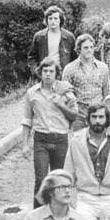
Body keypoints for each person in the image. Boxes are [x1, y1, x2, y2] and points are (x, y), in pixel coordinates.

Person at [22, 56, 78, 205]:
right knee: (41, 179)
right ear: (40, 73)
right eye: (45, 71)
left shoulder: (66, 91)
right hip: (41, 139)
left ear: (56, 73)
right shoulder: (32, 93)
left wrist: (60, 104)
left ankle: (58, 212)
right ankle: (38, 216)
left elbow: (74, 115)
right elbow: (27, 120)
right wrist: (25, 144)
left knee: (58, 179)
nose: (48, 74)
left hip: (60, 139)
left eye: (51, 71)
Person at [62, 34, 110, 131]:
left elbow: (107, 92)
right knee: (79, 142)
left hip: (98, 112)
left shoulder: (103, 67)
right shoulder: (69, 69)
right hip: (79, 114)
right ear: (79, 49)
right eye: (85, 47)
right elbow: (65, 94)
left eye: (91, 47)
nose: (89, 50)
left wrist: (107, 112)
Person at [28, 5, 76, 77]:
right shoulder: (39, 37)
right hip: (45, 74)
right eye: (50, 18)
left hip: (63, 74)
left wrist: (71, 73)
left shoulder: (69, 37)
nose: (53, 21)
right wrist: (36, 71)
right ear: (46, 20)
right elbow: (32, 57)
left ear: (60, 20)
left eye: (56, 18)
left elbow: (74, 58)